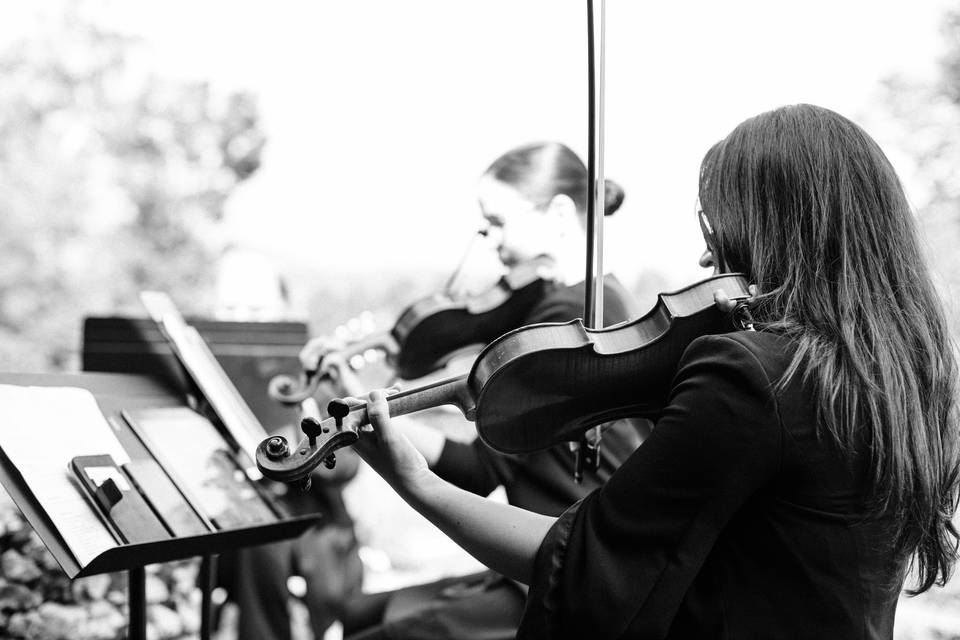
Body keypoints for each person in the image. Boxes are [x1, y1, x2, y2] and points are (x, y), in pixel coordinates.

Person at [342, 105, 960, 639]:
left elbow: (586, 563)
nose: (704, 254)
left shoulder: (753, 375)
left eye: (721, 229)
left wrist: (415, 482)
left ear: (779, 230)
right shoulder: (906, 373)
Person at [304, 142, 648, 639]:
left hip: (566, 580)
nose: (490, 241)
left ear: (557, 213)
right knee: (358, 612)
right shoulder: (582, 302)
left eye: (499, 221)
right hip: (538, 562)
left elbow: (477, 471)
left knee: (369, 631)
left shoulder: (567, 321)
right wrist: (366, 404)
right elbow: (485, 467)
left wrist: (379, 420)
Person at [210, 246, 364, 640]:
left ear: (285, 309)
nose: (244, 322)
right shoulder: (205, 374)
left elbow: (345, 468)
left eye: (257, 311)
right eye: (231, 309)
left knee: (263, 543)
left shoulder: (314, 373)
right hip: (228, 525)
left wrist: (302, 420)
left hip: (314, 529)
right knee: (255, 541)